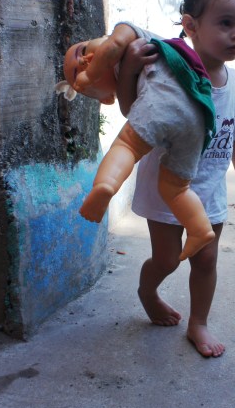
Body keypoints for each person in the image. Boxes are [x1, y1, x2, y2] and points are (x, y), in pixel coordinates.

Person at [117, 0, 235, 359]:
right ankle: (148, 292)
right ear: (190, 25)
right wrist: (130, 68)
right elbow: (133, 112)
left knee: (207, 257)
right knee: (166, 259)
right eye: (226, 23)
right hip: (166, 188)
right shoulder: (167, 74)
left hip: (208, 189)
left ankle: (199, 323)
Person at [56, 22, 217, 260]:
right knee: (175, 187)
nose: (84, 63)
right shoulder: (128, 84)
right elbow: (130, 109)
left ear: (104, 37)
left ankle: (106, 185)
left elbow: (115, 45)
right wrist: (114, 77)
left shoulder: (127, 33)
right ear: (105, 99)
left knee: (127, 146)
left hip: (171, 96)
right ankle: (199, 228)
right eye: (77, 74)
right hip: (199, 117)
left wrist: (90, 76)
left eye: (82, 52)